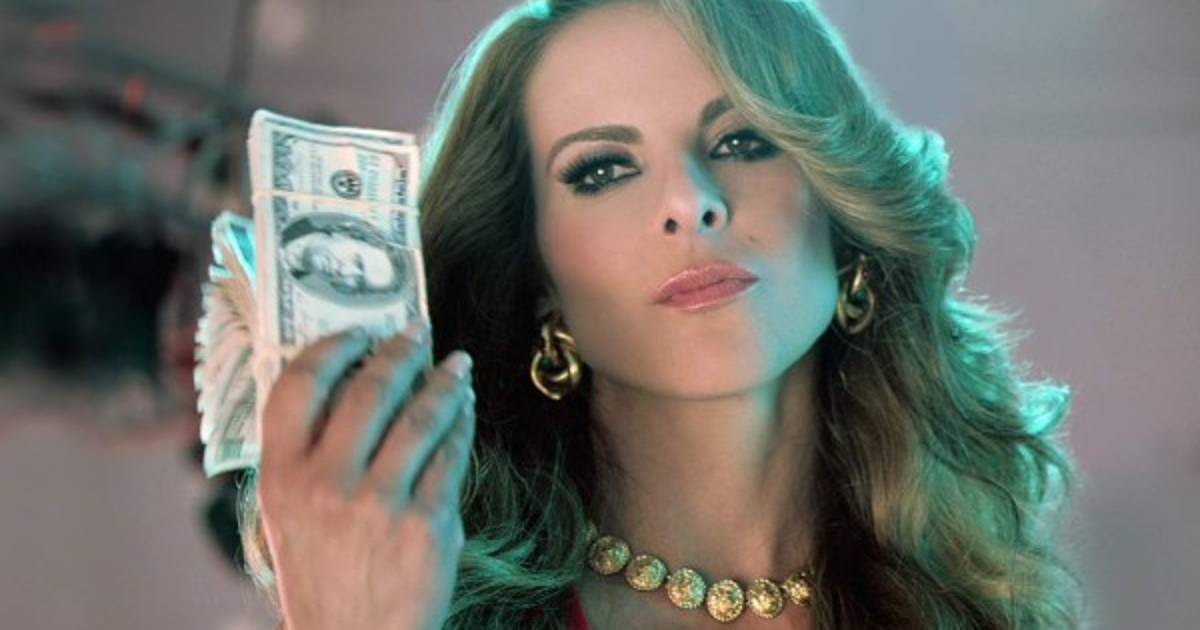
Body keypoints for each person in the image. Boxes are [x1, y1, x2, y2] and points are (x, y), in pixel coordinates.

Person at [236, 1, 1084, 628]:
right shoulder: (417, 610)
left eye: (743, 140)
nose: (690, 202)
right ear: (540, 283)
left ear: (844, 212)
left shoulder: (980, 601)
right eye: (602, 170)